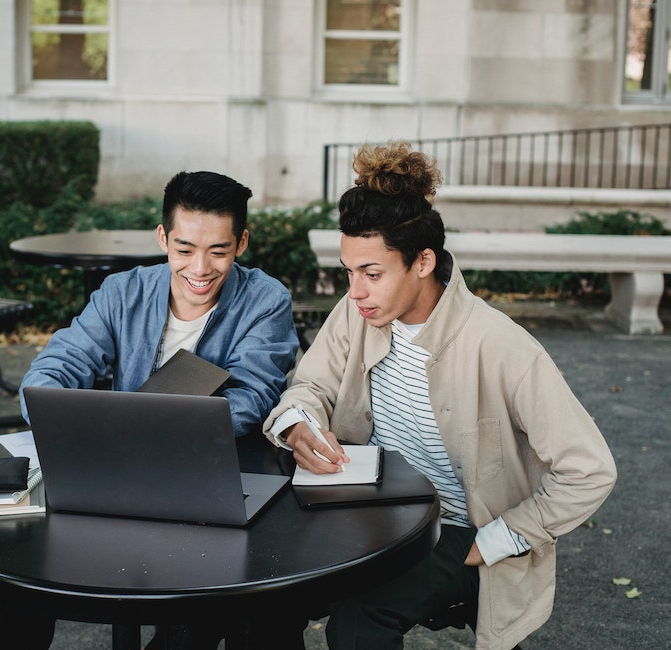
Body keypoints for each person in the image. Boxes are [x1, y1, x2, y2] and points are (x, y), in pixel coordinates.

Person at [263, 141, 617, 650]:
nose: (355, 290)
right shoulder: (356, 312)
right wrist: (298, 424)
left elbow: (590, 469)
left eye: (372, 273)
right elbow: (310, 386)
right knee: (264, 594)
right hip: (364, 512)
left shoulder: (500, 344)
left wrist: (495, 541)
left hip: (454, 528)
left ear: (423, 261)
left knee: (359, 619)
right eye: (348, 272)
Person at [0, 170, 300, 650]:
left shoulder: (265, 299)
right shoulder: (122, 292)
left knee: (204, 609)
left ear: (241, 242)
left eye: (218, 251)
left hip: (213, 477)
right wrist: (58, 409)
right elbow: (56, 365)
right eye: (184, 249)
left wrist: (155, 424)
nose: (200, 268)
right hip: (119, 470)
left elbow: (254, 395)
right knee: (25, 583)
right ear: (162, 238)